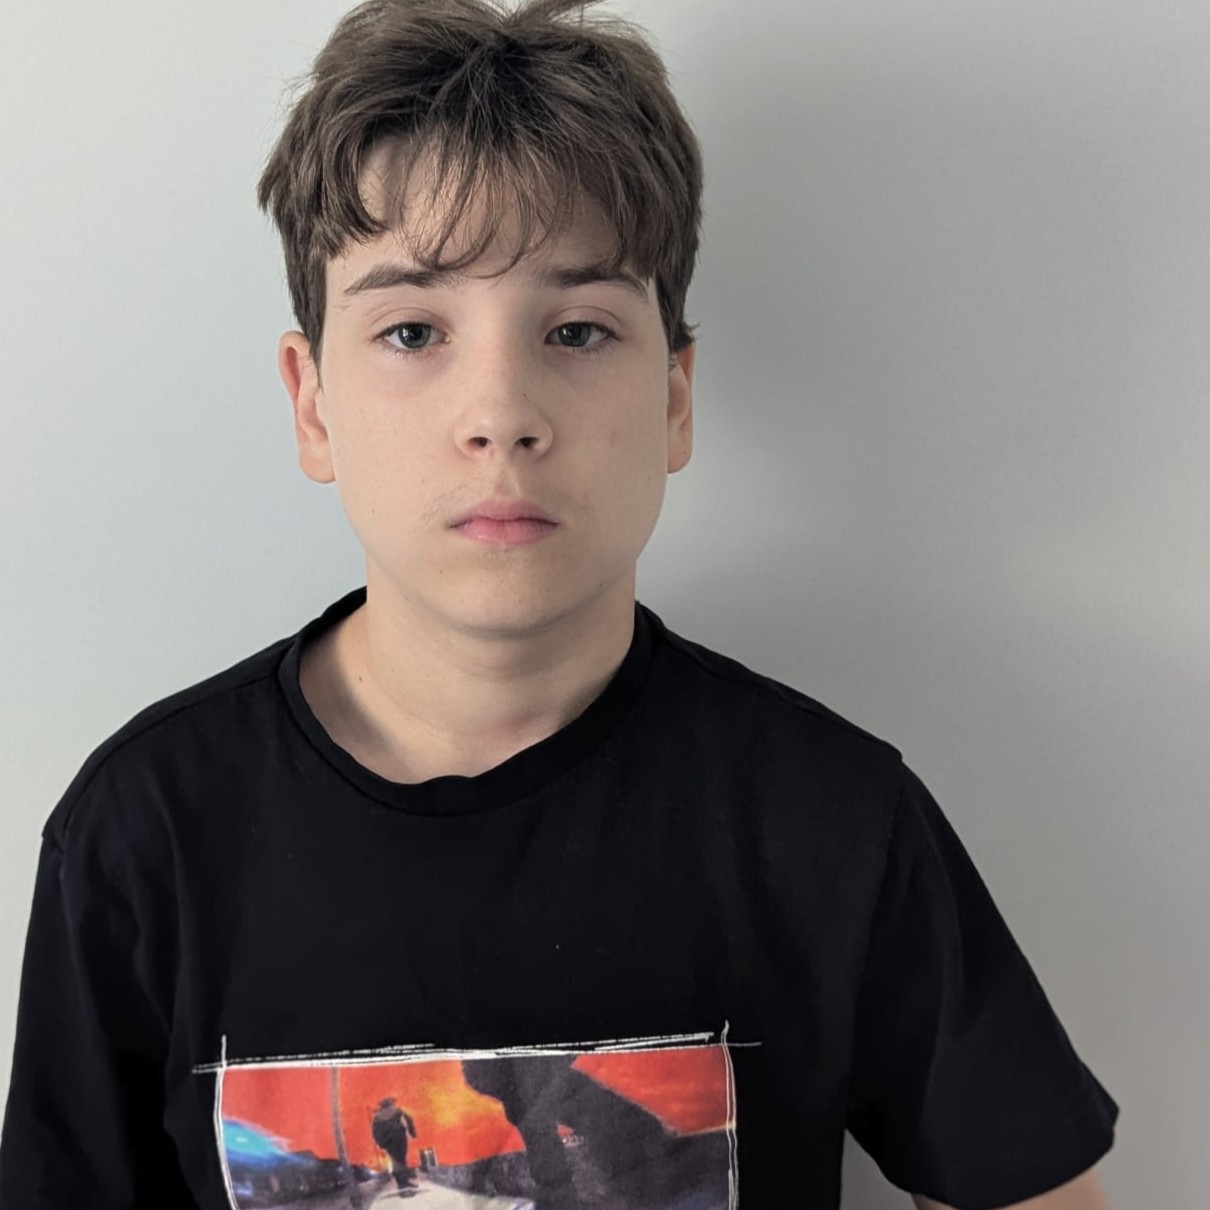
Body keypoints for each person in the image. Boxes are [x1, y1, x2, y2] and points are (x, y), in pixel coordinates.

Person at [0, 2, 1119, 1208]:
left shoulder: (830, 820)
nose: (501, 413)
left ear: (674, 399)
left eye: (577, 330)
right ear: (312, 403)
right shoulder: (149, 832)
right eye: (412, 330)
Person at [371, 1098, 419, 1190]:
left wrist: (380, 1143)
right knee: (401, 1160)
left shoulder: (377, 1117)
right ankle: (404, 1183)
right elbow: (409, 1119)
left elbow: (375, 1131)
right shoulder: (397, 1111)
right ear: (391, 1104)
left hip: (387, 1142)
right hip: (399, 1137)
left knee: (395, 1160)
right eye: (393, 1103)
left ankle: (401, 1183)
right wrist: (412, 1133)